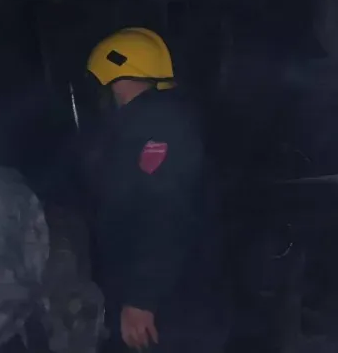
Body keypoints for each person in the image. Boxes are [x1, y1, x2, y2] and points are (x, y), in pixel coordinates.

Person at [82, 28, 229, 353]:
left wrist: (141, 299)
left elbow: (164, 212)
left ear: (115, 79)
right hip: (170, 292)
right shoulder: (145, 123)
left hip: (173, 302)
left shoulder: (159, 127)